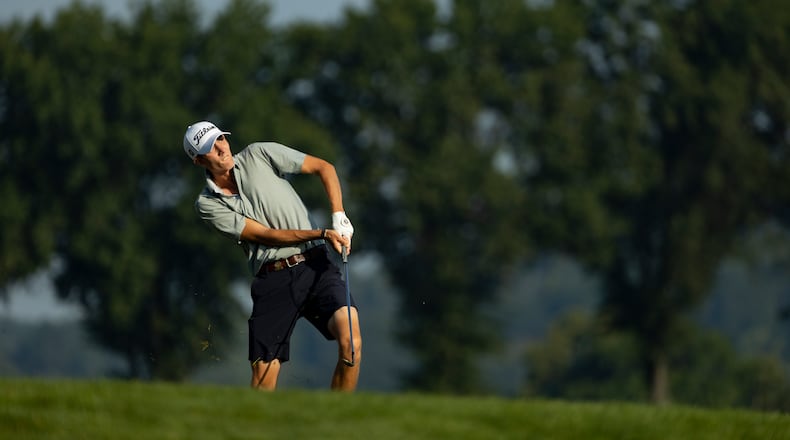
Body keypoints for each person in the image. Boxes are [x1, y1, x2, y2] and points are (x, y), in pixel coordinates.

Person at [183, 120, 361, 391]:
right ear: (198, 161)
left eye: (221, 139)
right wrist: (321, 233)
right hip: (273, 280)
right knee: (263, 380)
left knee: (351, 344)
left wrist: (338, 215)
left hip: (316, 266)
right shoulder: (207, 204)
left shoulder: (258, 154)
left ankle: (337, 424)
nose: (221, 148)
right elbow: (266, 235)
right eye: (211, 147)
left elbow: (324, 168)